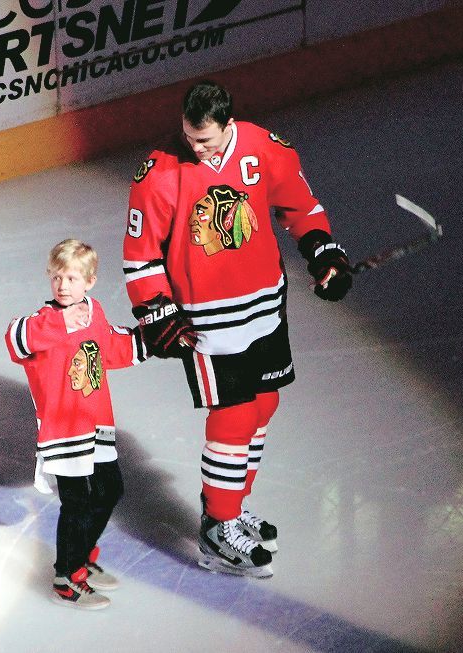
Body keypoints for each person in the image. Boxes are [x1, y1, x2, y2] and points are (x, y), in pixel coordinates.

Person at [123, 80, 352, 578]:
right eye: (189, 137)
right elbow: (140, 258)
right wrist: (158, 312)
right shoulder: (160, 173)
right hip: (208, 320)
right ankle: (218, 525)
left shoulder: (263, 146)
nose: (195, 147)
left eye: (204, 139)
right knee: (235, 413)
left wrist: (322, 252)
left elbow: (300, 206)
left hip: (265, 304)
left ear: (229, 125)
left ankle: (229, 507)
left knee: (264, 403)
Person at [5, 239, 149, 609]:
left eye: (71, 278)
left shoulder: (94, 312)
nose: (63, 285)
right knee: (78, 503)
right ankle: (66, 578)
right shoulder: (45, 320)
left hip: (96, 423)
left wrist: (152, 342)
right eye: (57, 277)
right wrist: (58, 322)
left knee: (109, 489)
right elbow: (16, 339)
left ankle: (81, 556)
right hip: (64, 430)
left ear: (90, 281)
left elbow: (110, 348)